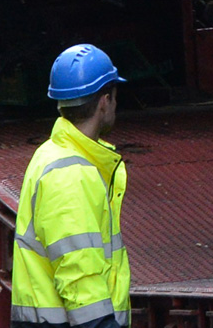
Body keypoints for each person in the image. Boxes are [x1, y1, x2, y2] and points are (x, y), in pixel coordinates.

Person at [11, 45, 130, 328]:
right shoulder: (71, 173)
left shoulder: (53, 154)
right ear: (104, 101)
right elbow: (78, 273)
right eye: (114, 98)